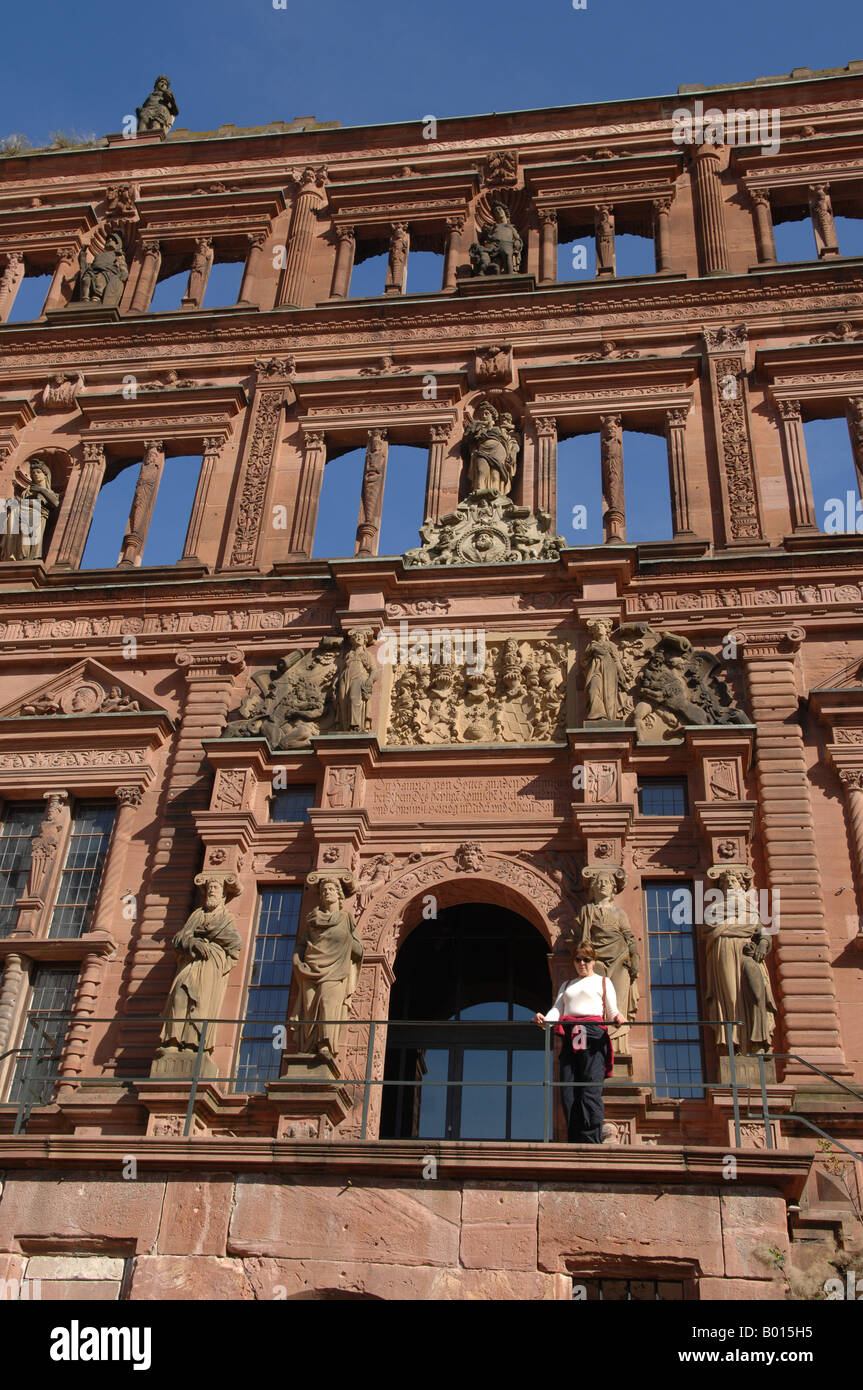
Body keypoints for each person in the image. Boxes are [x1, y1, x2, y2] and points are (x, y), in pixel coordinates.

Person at [534, 942, 625, 1143]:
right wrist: (544, 1021)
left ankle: (592, 1138)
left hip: (593, 1035)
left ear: (594, 961)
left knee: (590, 1088)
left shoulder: (603, 982)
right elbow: (556, 1011)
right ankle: (575, 1138)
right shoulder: (566, 985)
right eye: (578, 959)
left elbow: (611, 1011)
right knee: (568, 1090)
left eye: (586, 959)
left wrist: (618, 1016)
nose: (582, 963)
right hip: (570, 1034)